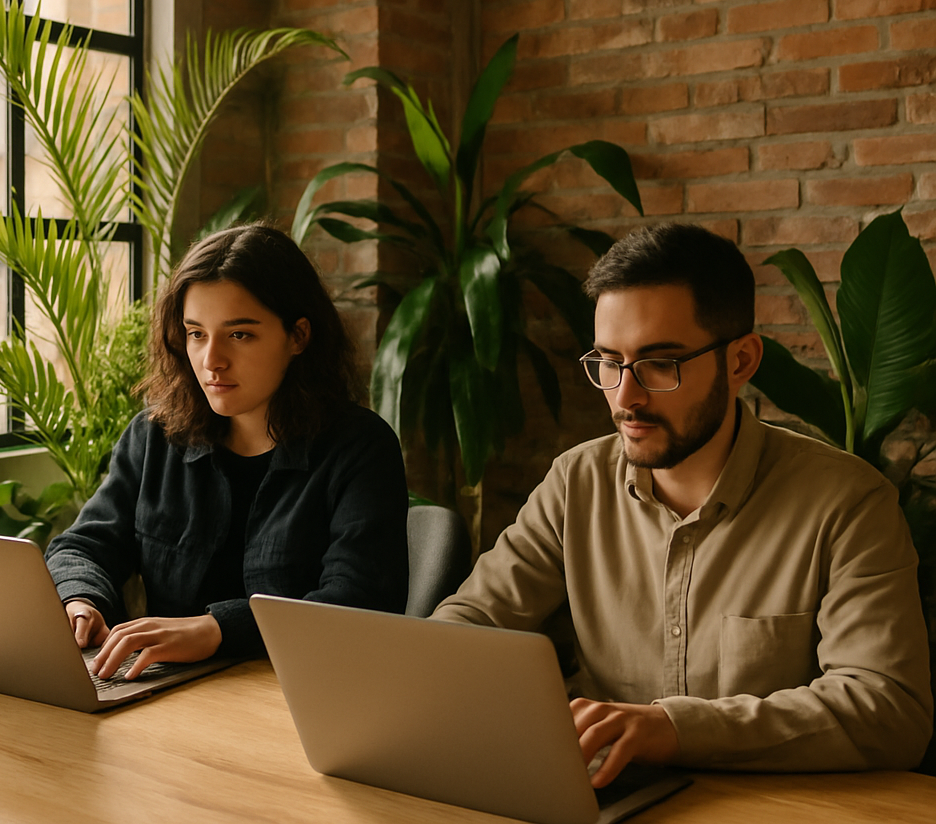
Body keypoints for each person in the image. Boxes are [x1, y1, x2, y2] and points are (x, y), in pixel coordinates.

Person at [432, 222, 932, 786]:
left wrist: (674, 729)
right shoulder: (576, 483)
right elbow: (470, 621)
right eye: (609, 362)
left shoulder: (847, 503)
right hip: (600, 794)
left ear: (740, 362)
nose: (626, 396)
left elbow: (890, 710)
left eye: (659, 364)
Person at [46, 224, 408, 681]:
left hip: (300, 699)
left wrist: (220, 628)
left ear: (298, 336)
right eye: (196, 334)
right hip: (163, 696)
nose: (211, 360)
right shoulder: (155, 436)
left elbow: (358, 604)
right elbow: (83, 546)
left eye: (239, 335)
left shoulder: (360, 448)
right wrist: (80, 600)